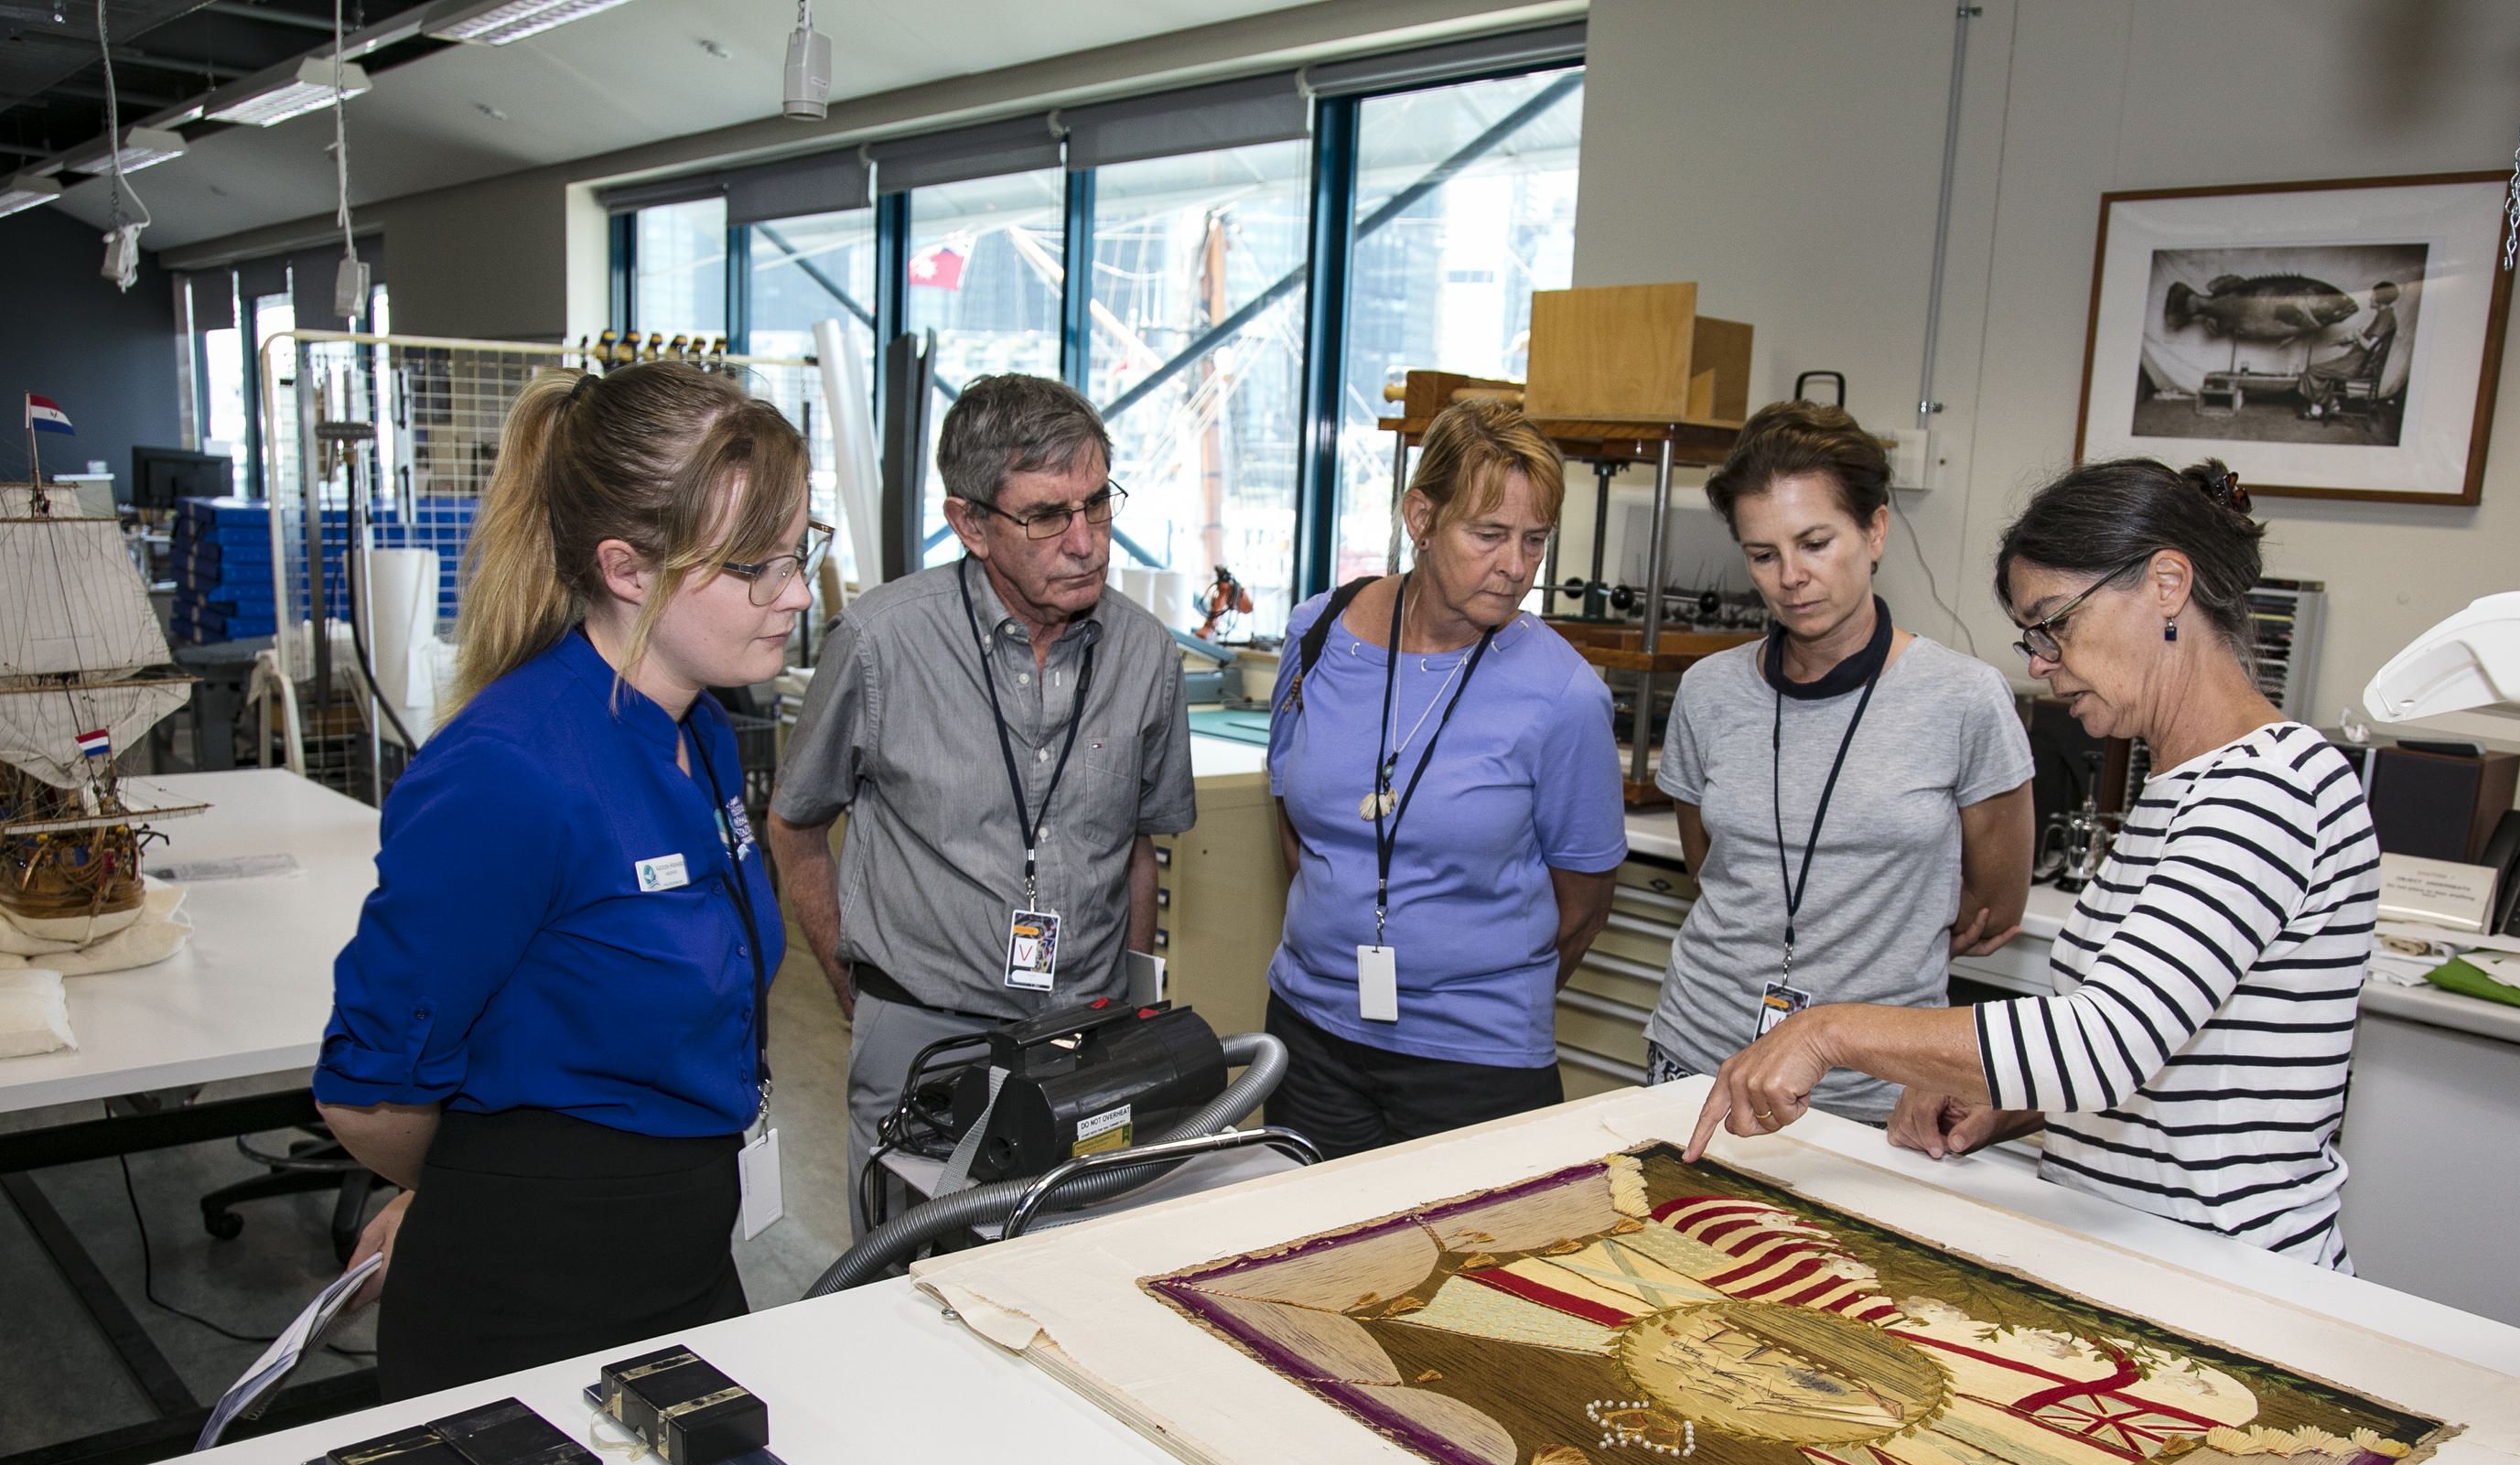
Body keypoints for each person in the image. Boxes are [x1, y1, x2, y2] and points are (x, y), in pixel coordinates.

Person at [1685, 458, 2379, 1270]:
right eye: (2031, 635)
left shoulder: (2268, 790)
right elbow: (2169, 1058)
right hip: (2139, 1254)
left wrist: (1828, 1031)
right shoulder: (2179, 787)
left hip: (2230, 1272)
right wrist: (2007, 1106)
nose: (2041, 661)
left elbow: (2101, 1042)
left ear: (2166, 584)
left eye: (2055, 622)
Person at [316, 362, 806, 1399]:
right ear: (627, 568)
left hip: (684, 1248)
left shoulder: (701, 732)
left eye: (800, 552)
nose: (795, 594)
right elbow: (368, 1090)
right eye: (755, 566)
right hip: (529, 1291)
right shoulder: (510, 770)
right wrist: (470, 1189)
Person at [770, 375, 1192, 1229]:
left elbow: (1140, 845)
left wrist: (1129, 1016)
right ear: (970, 523)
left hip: (1081, 1036)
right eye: (1046, 515)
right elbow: (795, 821)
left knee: (1063, 1286)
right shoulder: (883, 642)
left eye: (1097, 504)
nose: (1087, 543)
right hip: (921, 1037)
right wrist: (851, 977)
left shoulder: (1146, 655)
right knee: (900, 1298)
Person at [1644, 401, 2033, 1121]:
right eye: (1764, 554)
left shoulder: (1965, 699)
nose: (1791, 576)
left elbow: (1992, 907)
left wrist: (1881, 948)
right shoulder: (1709, 693)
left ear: (1875, 529)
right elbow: (1710, 868)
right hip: (1700, 1058)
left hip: (1875, 1091)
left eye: (1815, 542)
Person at [1265, 397, 1624, 1156]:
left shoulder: (1564, 695)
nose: (1516, 567)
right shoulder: (1318, 634)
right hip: (1310, 1033)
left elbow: (1583, 905)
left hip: (1474, 1061)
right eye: (1489, 535)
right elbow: (1296, 825)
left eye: (1535, 540)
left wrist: (1466, 992)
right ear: (1420, 517)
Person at [2299, 280, 2401, 419]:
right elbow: (2371, 343)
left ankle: (2318, 409)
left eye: (2373, 295)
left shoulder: (2385, 317)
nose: (2370, 298)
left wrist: (2358, 336)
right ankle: (2332, 403)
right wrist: (2350, 340)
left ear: (2380, 298)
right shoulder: (2385, 315)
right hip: (2357, 362)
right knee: (2324, 369)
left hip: (2358, 366)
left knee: (2313, 370)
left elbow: (2370, 347)